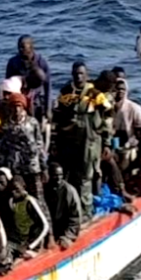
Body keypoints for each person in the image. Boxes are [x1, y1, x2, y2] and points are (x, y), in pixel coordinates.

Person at [54, 62, 111, 217]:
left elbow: (108, 116)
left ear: (86, 75)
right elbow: (58, 115)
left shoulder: (95, 94)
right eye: (76, 74)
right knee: (68, 175)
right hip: (69, 141)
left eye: (81, 74)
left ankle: (85, 212)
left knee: (86, 177)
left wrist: (106, 141)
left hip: (90, 141)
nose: (79, 77)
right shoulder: (65, 92)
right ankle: (68, 210)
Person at [0, 96, 44, 191]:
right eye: (14, 106)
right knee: (17, 194)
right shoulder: (5, 125)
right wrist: (1, 166)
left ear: (23, 107)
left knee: (37, 194)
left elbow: (39, 144)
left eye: (19, 106)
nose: (16, 109)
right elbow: (1, 147)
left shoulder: (32, 122)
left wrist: (43, 165)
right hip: (14, 167)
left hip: (32, 166)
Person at [6, 35, 53, 125]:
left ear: (31, 47)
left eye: (23, 47)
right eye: (19, 47)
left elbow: (48, 87)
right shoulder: (13, 62)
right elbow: (8, 84)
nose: (20, 49)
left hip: (36, 98)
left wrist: (48, 109)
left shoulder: (41, 62)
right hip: (19, 97)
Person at [6, 176, 50, 260]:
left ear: (23, 187)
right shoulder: (12, 202)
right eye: (11, 190)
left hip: (33, 242)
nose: (14, 192)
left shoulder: (30, 202)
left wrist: (30, 245)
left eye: (16, 189)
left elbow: (44, 225)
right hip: (20, 240)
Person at [44, 163, 82, 249]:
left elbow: (75, 218)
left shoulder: (70, 191)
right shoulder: (45, 190)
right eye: (55, 175)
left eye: (60, 175)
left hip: (64, 231)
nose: (58, 178)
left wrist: (67, 236)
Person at [113, 79, 141, 149]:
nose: (120, 91)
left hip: (130, 145)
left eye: (123, 89)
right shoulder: (107, 106)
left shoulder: (134, 108)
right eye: (117, 89)